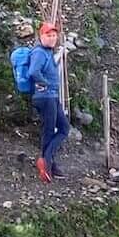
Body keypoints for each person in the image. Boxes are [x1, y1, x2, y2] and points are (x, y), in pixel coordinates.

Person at [28, 22, 68, 182]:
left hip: (51, 96)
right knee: (49, 131)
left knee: (64, 127)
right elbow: (33, 71)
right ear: (41, 36)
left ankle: (48, 160)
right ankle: (46, 163)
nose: (52, 38)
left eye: (53, 35)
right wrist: (45, 83)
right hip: (45, 97)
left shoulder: (48, 52)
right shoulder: (39, 52)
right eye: (48, 35)